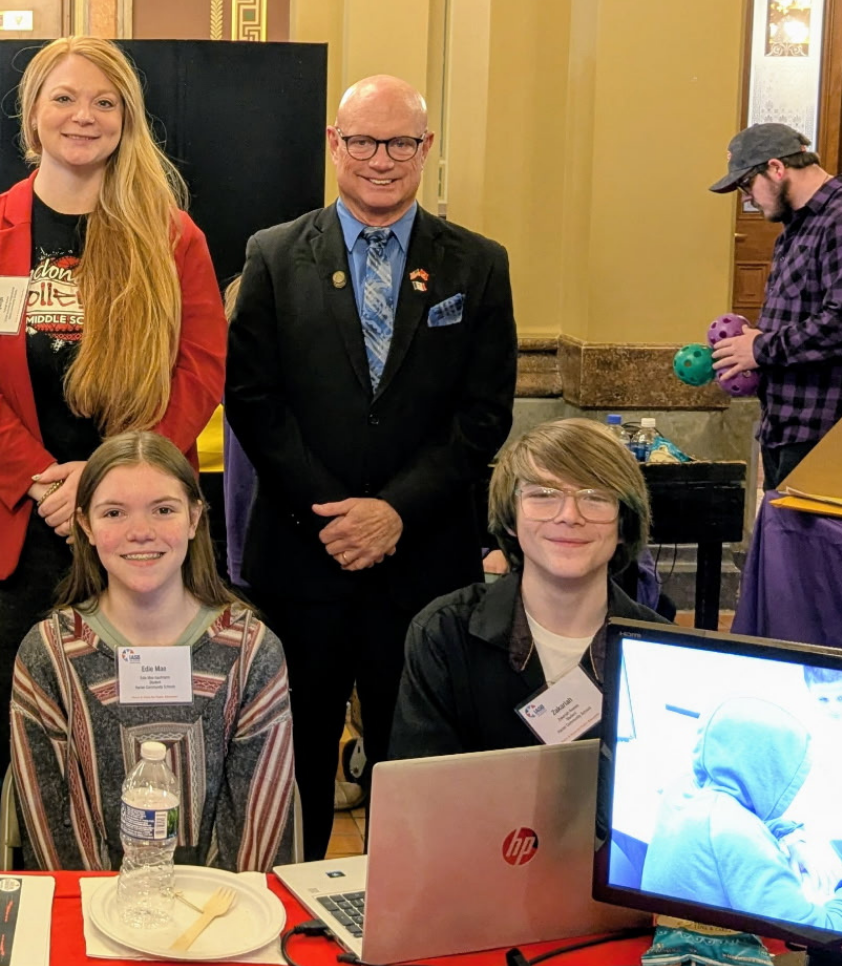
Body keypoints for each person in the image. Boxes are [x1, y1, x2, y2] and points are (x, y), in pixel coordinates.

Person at [0, 36, 227, 867]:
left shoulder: (171, 238)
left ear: (127, 121)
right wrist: (42, 483)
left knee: (136, 728)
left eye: (103, 102)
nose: (82, 116)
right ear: (32, 115)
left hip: (137, 535)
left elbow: (199, 370)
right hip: (14, 533)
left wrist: (107, 492)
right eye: (63, 98)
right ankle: (8, 892)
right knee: (9, 752)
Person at [224, 74, 516, 857]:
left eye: (399, 142)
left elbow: (484, 415)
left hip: (423, 564)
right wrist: (338, 513)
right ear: (334, 145)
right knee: (295, 761)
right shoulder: (275, 255)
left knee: (415, 761)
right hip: (303, 555)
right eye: (361, 140)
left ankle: (406, 915)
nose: (379, 159)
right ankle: (290, 911)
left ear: (426, 148)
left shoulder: (479, 266)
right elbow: (253, 403)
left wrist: (394, 513)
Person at [9, 431, 297, 872]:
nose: (140, 533)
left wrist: (209, 922)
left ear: (195, 517)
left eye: (163, 510)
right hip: (91, 917)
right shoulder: (48, 655)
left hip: (221, 920)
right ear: (85, 525)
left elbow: (258, 825)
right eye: (114, 513)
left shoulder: (251, 651)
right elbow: (53, 829)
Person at [389, 419, 664, 759]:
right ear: (510, 518)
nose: (569, 515)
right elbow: (417, 795)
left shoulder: (660, 650)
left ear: (624, 524)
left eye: (595, 497)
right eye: (543, 495)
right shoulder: (444, 634)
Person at [708, 123, 842, 490]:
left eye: (746, 185)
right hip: (792, 424)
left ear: (776, 168)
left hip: (833, 431)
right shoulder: (801, 224)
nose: (746, 199)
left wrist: (760, 347)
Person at [642, 697, 842, 935]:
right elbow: (821, 933)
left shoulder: (686, 788)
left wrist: (792, 838)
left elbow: (734, 818)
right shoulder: (738, 834)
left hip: (672, 933)